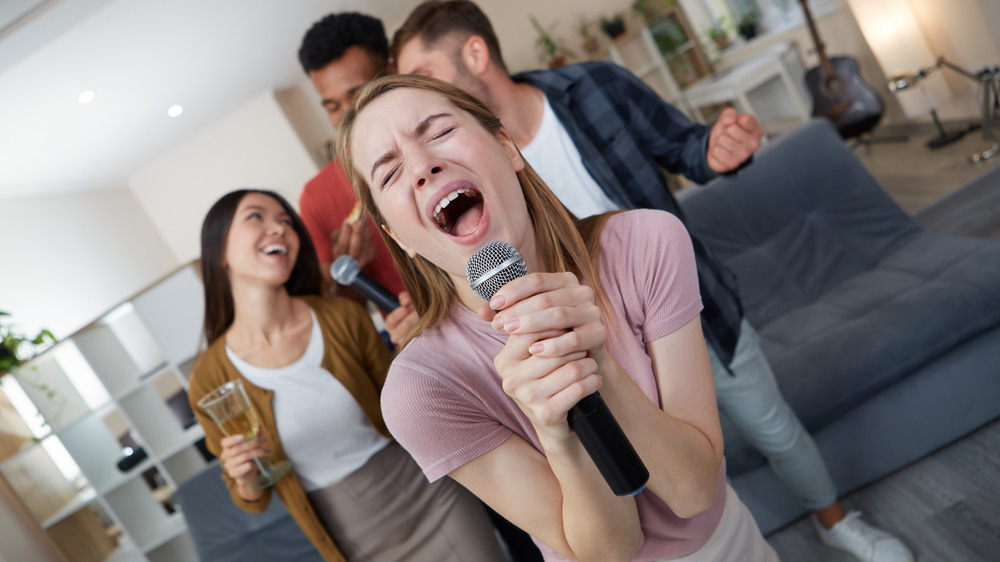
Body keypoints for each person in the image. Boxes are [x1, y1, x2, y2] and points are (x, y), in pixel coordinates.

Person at [389, 4, 914, 562]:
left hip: (681, 309)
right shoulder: (465, 212)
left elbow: (684, 145)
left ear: (475, 53)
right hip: (597, 352)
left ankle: (836, 521)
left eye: (422, 79)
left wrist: (713, 150)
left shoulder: (595, 87)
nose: (415, 108)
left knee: (770, 428)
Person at [338, 73, 779, 561]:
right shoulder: (421, 392)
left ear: (507, 146)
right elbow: (610, 551)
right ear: (397, 236)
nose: (421, 166)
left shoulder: (645, 243)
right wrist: (557, 435)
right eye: (390, 172)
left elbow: (693, 491)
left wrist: (598, 368)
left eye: (439, 132)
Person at [187, 188, 506, 561]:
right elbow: (252, 498)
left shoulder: (341, 316)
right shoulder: (208, 379)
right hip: (354, 536)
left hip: (431, 494)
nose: (279, 228)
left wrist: (411, 354)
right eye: (256, 216)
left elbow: (404, 404)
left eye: (286, 222)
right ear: (219, 250)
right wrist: (243, 478)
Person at [297, 12, 418, 346]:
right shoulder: (317, 199)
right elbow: (346, 311)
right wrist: (353, 271)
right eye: (332, 106)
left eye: (358, 93)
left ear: (392, 74)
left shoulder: (444, 140)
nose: (347, 115)